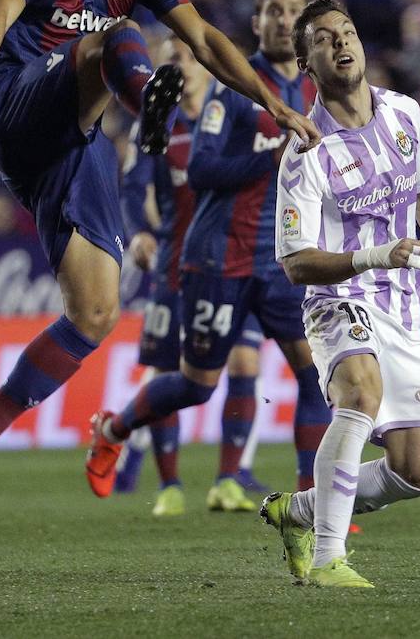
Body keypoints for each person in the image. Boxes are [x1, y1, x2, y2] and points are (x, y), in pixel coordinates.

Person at [0, 0, 318, 526]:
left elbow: (204, 41)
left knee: (96, 313)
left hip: (76, 138)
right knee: (109, 39)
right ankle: (151, 114)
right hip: (16, 104)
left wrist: (272, 104)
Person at [261, 0, 420, 587]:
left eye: (347, 31)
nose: (341, 43)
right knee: (359, 393)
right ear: (307, 64)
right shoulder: (305, 152)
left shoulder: (404, 113)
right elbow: (297, 264)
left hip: (403, 309)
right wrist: (377, 255)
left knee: (418, 473)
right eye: (324, 39)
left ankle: (298, 511)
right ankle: (328, 560)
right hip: (338, 300)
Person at [86, 0, 332, 508]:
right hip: (218, 257)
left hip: (281, 262)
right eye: (274, 10)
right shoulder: (233, 90)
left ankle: (315, 505)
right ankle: (114, 430)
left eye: (294, 9)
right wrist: (270, 157)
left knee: (316, 378)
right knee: (196, 385)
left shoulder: (314, 92)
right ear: (258, 21)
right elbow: (199, 169)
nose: (285, 18)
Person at [114, 34, 269, 514]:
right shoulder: (156, 124)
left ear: (204, 65)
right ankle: (170, 486)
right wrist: (138, 232)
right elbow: (131, 189)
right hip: (175, 265)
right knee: (169, 371)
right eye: (165, 61)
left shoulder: (236, 118)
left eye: (181, 57)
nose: (174, 66)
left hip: (235, 261)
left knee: (245, 363)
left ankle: (226, 479)